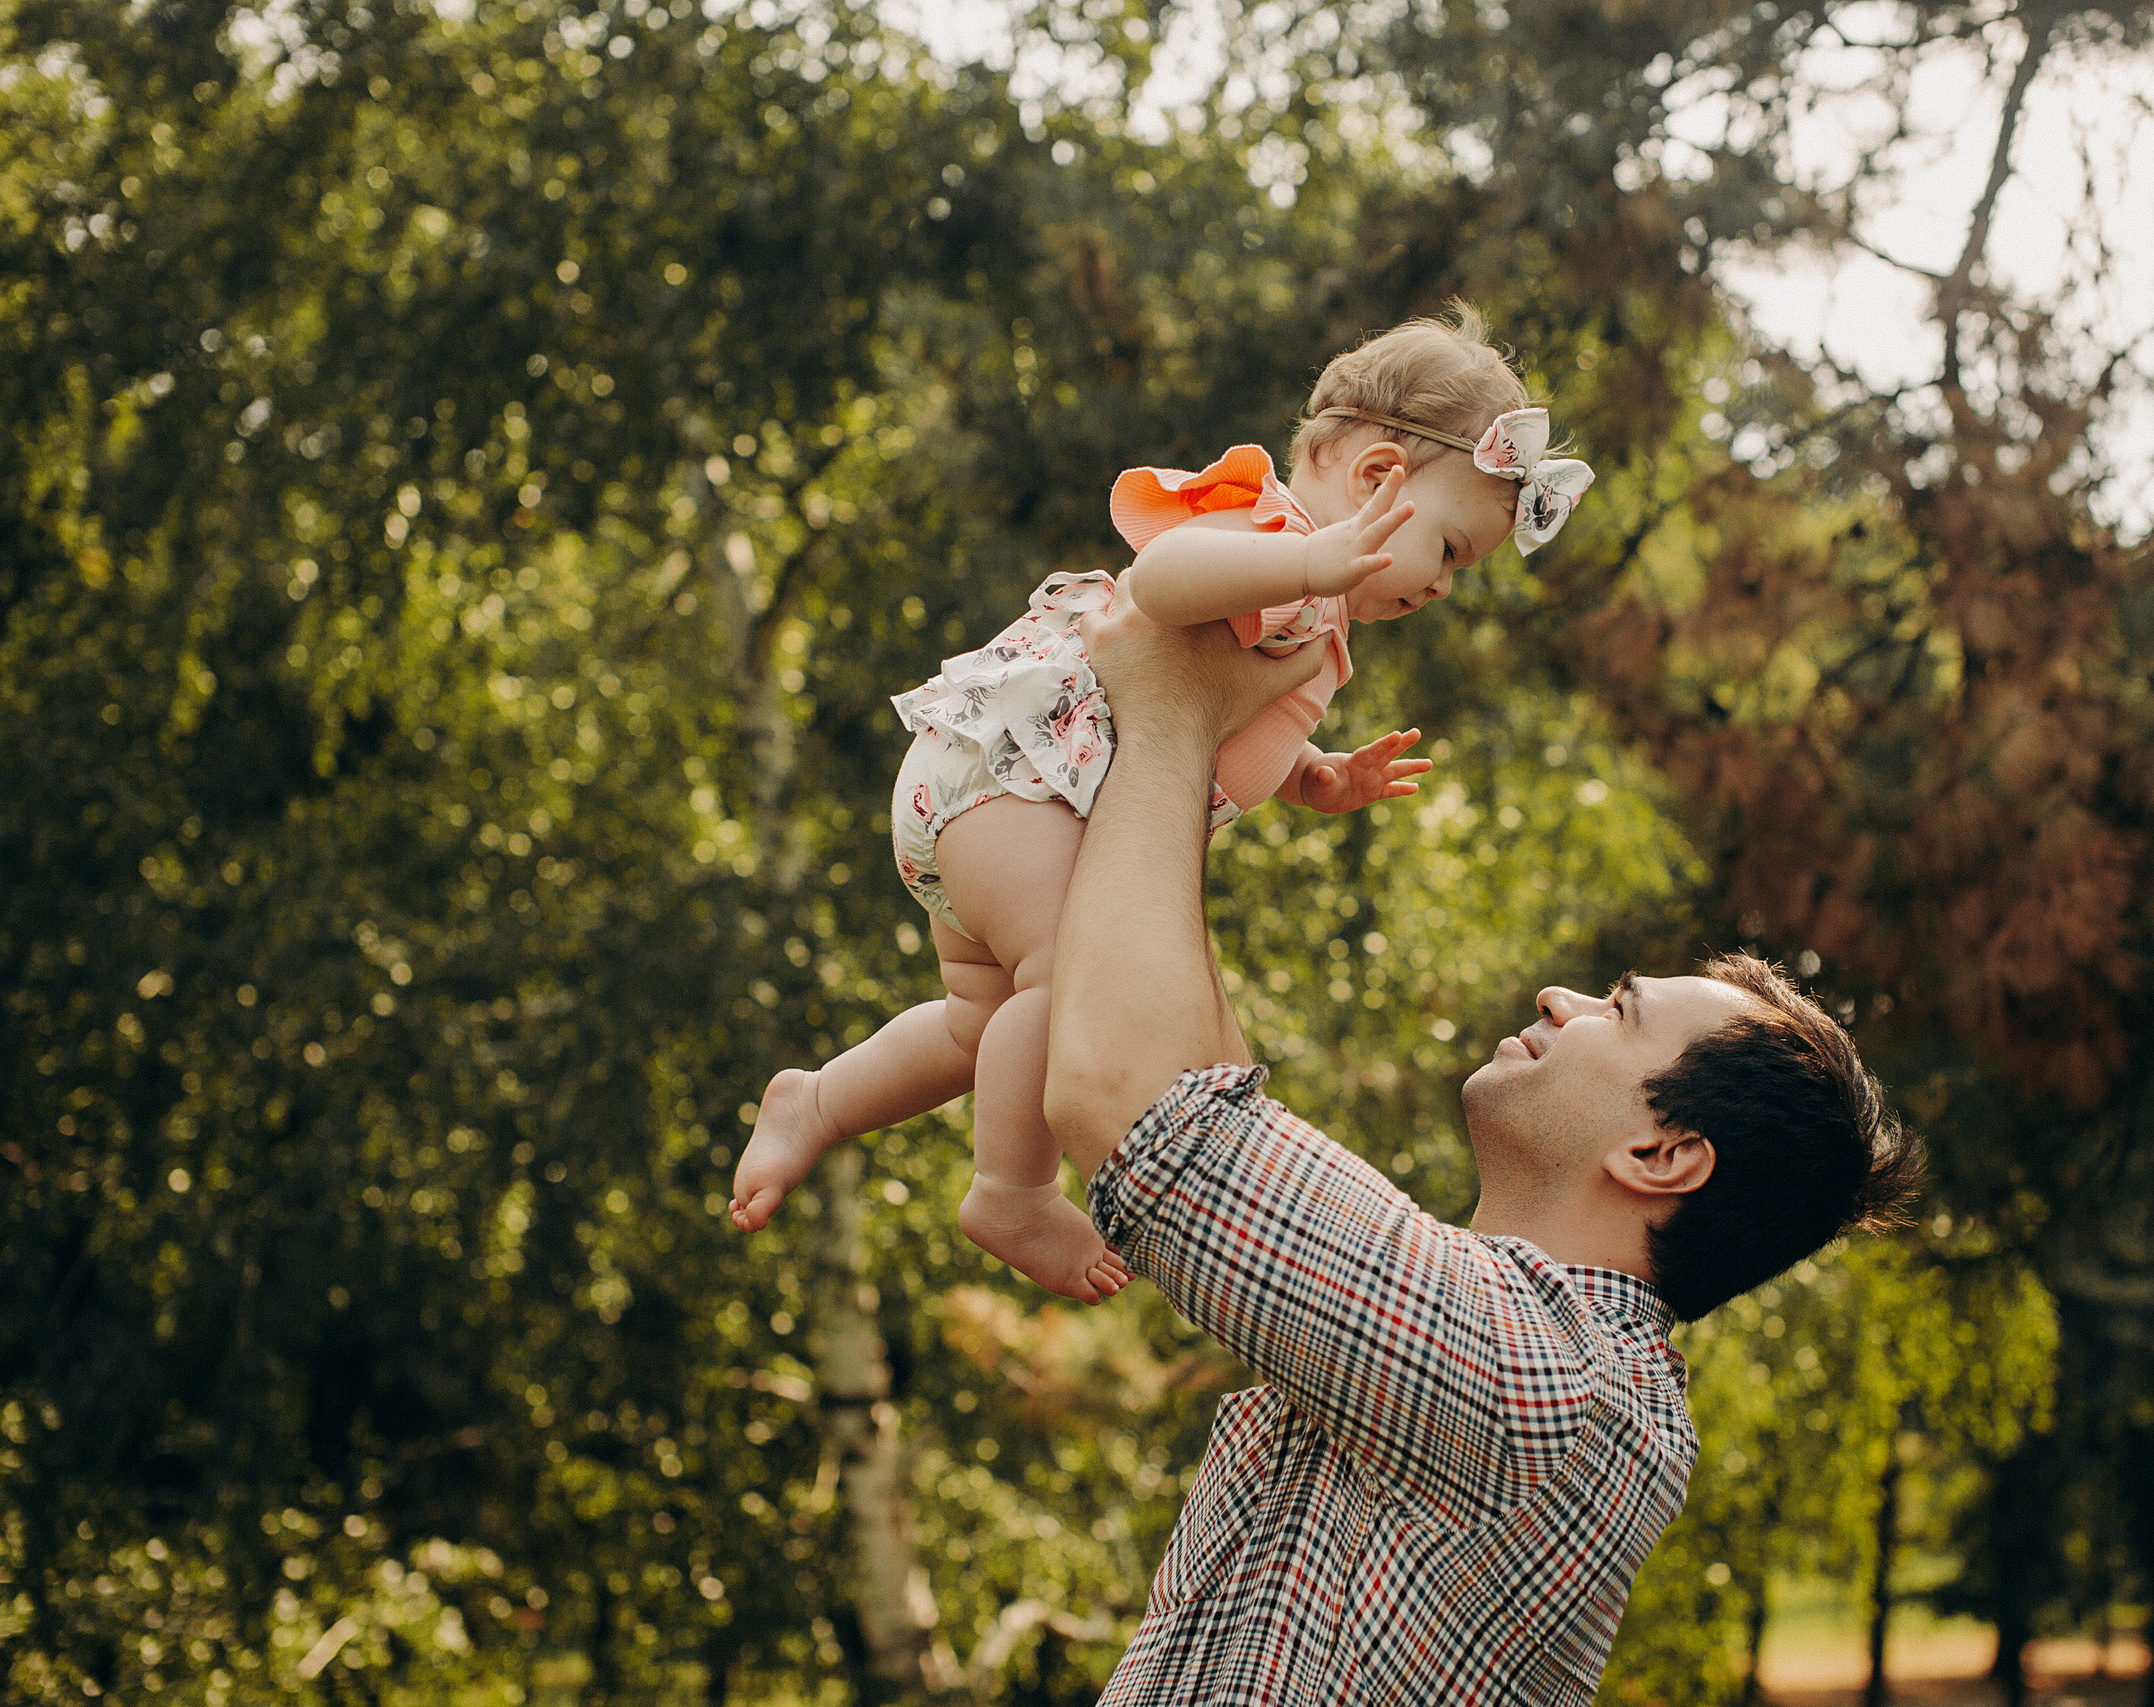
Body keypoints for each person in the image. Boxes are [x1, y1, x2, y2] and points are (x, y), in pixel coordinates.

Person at [1042, 603, 1924, 1706]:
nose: (1561, 996)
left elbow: (1136, 1104)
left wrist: (1171, 702)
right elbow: (1203, 1086)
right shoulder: (1538, 1363)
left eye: (1617, 1008)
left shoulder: (1547, 1387)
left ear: (1662, 1153)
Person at [728, 305, 1597, 1305]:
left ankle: (822, 1103)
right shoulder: (1277, 537)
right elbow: (1168, 580)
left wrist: (1313, 775)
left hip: (988, 804)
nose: (1445, 586)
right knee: (1069, 989)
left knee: (986, 1027)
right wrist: (1311, 566)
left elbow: (1216, 703)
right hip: (1018, 789)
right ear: (1372, 481)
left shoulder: (1301, 597)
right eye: (1447, 550)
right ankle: (1010, 1189)